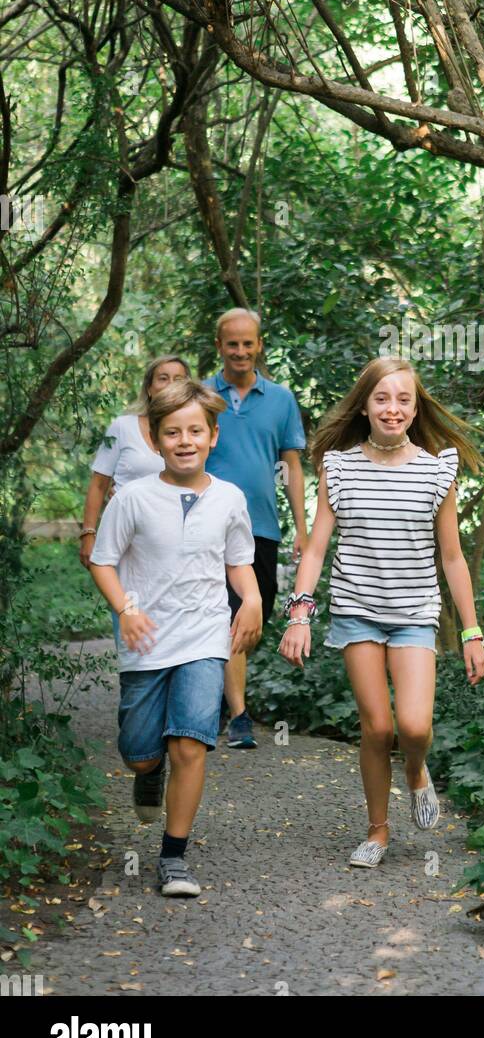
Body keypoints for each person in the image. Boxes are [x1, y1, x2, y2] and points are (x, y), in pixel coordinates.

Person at [277, 356, 484, 868]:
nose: (392, 409)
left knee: (413, 727)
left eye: (404, 399)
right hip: (356, 610)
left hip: (416, 611)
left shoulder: (439, 469)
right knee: (376, 728)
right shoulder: (339, 466)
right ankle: (378, 831)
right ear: (365, 405)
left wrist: (471, 631)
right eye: (382, 398)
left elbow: (453, 556)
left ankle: (416, 770)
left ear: (415, 409)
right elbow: (317, 547)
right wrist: (299, 614)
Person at [89, 379, 262, 897]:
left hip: (204, 637)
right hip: (145, 642)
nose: (184, 440)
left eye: (195, 431)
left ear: (213, 435)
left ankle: (173, 857)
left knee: (190, 744)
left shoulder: (230, 498)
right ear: (156, 440)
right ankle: (147, 772)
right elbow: (103, 562)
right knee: (142, 753)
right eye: (172, 432)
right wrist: (127, 609)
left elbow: (239, 562)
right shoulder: (134, 498)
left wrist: (250, 600)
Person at [203, 309, 308, 749]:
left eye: (248, 343)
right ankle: (236, 715)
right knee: (222, 617)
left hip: (261, 526)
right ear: (219, 346)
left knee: (252, 618)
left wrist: (303, 528)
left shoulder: (281, 399)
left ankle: (218, 705)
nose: (241, 352)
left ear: (259, 345)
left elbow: (292, 466)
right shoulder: (202, 394)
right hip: (205, 524)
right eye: (233, 344)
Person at [79, 355, 192, 570]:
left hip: (176, 537)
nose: (170, 385)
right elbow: (99, 484)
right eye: (163, 378)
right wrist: (88, 533)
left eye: (178, 379)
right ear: (149, 388)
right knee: (125, 601)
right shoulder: (123, 426)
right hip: (125, 535)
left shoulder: (195, 434)